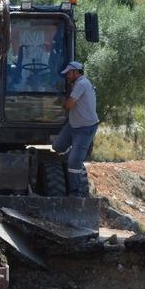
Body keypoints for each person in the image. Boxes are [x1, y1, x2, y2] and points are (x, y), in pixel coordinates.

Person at [52, 61, 99, 197]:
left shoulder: (81, 85)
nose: (66, 76)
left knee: (74, 162)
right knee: (57, 147)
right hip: (73, 125)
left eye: (68, 73)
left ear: (75, 72)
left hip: (85, 128)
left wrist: (61, 103)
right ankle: (75, 152)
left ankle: (75, 192)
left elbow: (69, 105)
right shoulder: (80, 84)